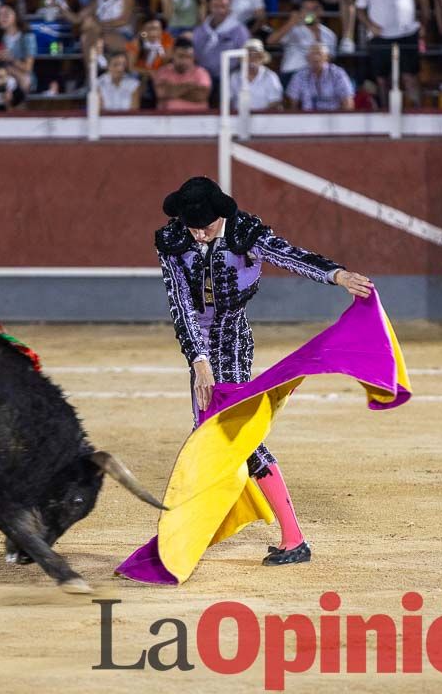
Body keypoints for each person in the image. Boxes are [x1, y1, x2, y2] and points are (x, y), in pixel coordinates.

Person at [153, 176, 374, 566]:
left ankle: (292, 538)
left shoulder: (245, 233)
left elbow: (291, 256)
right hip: (200, 348)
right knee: (208, 434)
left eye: (206, 227)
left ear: (220, 216)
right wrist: (199, 361)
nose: (199, 235)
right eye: (192, 227)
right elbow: (181, 304)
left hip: (233, 341)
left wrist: (337, 275)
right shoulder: (173, 240)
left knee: (234, 436)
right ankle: (211, 529)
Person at [356, 0, 431, 103]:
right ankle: (385, 112)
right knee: (382, 79)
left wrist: (424, 23)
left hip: (407, 33)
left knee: (410, 77)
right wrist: (370, 25)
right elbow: (360, 9)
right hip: (380, 36)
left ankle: (418, 111)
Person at [268, 0, 339, 89]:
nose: (309, 13)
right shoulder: (293, 29)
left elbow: (329, 59)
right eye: (306, 9)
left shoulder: (329, 35)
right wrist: (291, 22)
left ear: (320, 11)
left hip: (317, 77)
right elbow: (270, 41)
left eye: (313, 9)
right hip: (292, 73)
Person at [191, 0, 251, 98]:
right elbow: (194, 53)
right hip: (204, 76)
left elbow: (245, 56)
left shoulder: (239, 30)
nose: (220, 10)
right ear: (210, 7)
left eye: (223, 6)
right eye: (215, 6)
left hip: (229, 76)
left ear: (229, 8)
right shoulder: (200, 30)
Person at [285, 42, 354, 110]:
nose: (316, 58)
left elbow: (348, 102)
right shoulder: (299, 76)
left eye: (319, 54)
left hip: (333, 115)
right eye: (312, 54)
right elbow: (292, 103)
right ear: (307, 58)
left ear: (327, 57)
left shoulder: (338, 74)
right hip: (308, 115)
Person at [0, 4, 39, 93]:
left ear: (16, 15)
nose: (1, 18)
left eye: (6, 14)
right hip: (1, 72)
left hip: (21, 73)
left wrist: (11, 59)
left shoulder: (27, 36)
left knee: (23, 80)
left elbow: (28, 68)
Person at [153, 39, 211, 110]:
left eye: (188, 57)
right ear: (173, 55)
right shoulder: (163, 71)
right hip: (167, 115)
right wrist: (191, 86)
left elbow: (200, 96)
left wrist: (172, 89)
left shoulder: (201, 73)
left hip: (197, 116)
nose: (184, 61)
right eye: (181, 56)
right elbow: (161, 93)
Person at [228, 38, 284, 110]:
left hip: (264, 116)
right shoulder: (234, 77)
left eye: (256, 56)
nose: (252, 59)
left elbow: (275, 102)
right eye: (249, 56)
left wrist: (259, 115)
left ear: (261, 59)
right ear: (243, 59)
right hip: (238, 115)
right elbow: (228, 100)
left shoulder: (270, 76)